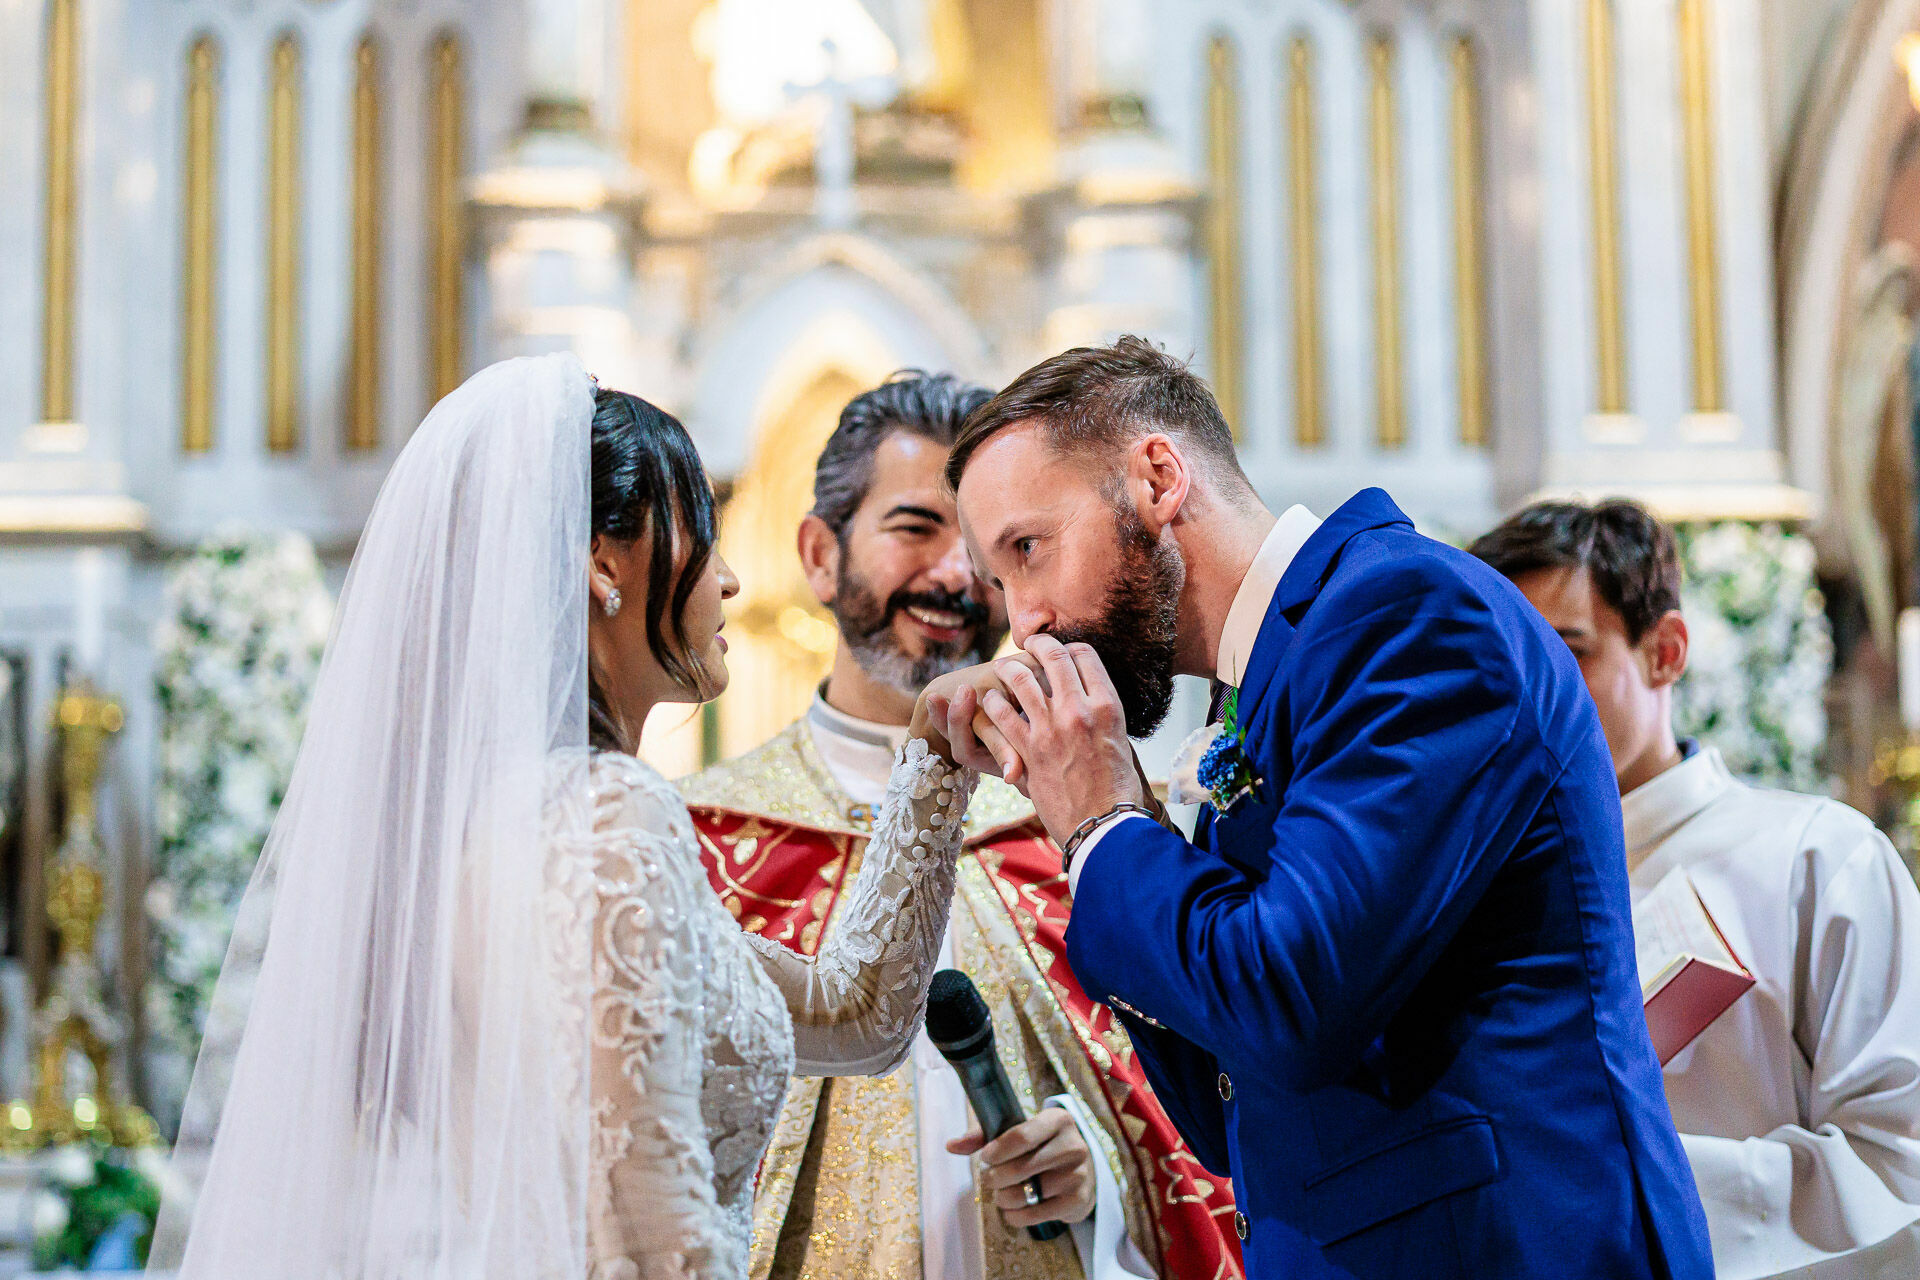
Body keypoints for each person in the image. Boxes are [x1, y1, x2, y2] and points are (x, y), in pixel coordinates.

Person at [150, 353, 1004, 1278]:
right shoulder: (609, 818)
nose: (730, 582)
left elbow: (859, 1018)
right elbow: (650, 1248)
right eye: (703, 535)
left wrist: (932, 757)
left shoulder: (513, 819)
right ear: (606, 560)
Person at [927, 336, 1714, 1279]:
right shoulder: (1258, 691)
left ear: (1159, 477)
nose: (1026, 620)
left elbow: (1288, 1007)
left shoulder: (1408, 616)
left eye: (1030, 549)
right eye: (1001, 583)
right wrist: (1116, 808)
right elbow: (1232, 1109)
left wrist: (1103, 827)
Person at [679, 372, 1241, 1280]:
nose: (954, 578)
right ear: (821, 554)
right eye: (913, 529)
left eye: (989, 555)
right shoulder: (709, 840)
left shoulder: (1087, 830)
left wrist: (1097, 1169)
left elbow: (1201, 1111)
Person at [1472, 498, 1920, 1279]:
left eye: (1566, 655)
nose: (1526, 699)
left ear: (1666, 651)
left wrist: (1613, 1191)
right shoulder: (1468, 897)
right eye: (1498, 666)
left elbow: (1899, 1160)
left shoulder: (1818, 856)